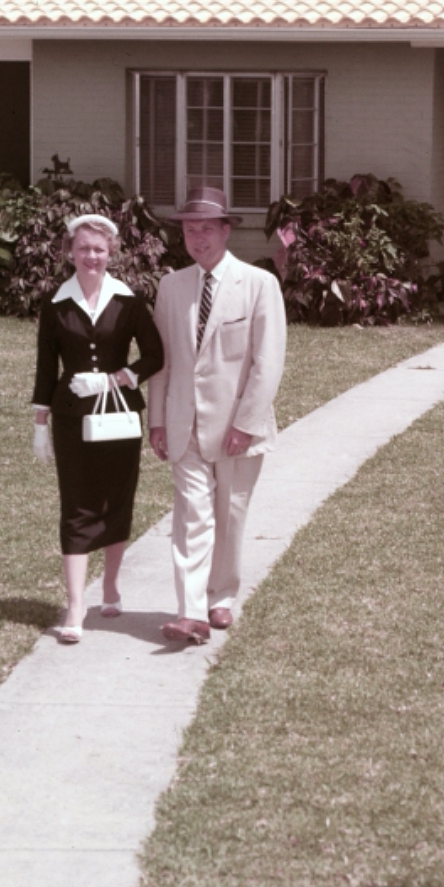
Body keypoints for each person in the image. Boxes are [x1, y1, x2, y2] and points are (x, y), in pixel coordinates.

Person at [147, 186, 287, 645]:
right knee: (192, 516)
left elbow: (268, 363)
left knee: (230, 516)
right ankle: (190, 613)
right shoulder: (171, 287)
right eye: (190, 229)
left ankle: (220, 597)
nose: (198, 237)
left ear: (227, 231)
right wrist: (158, 420)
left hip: (236, 428)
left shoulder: (260, 285)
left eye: (207, 228)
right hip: (184, 424)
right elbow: (162, 360)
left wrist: (246, 424)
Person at [32, 214, 164, 644]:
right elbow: (44, 367)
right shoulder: (55, 304)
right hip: (72, 419)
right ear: (70, 251)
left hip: (120, 416)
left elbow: (155, 355)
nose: (92, 256)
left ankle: (109, 587)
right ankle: (75, 605)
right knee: (76, 504)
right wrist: (40, 422)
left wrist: (116, 378)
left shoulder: (129, 301)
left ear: (111, 254)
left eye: (99, 250)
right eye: (84, 248)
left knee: (115, 499)